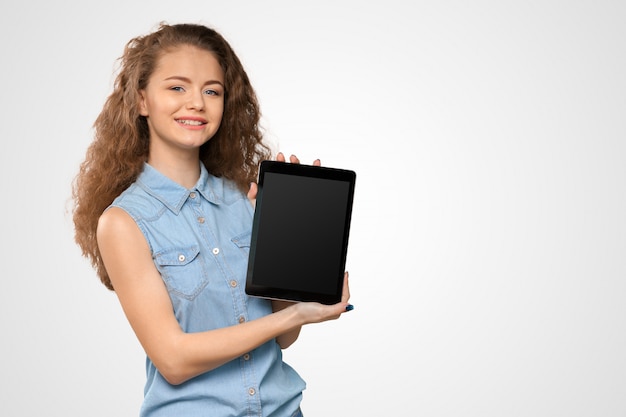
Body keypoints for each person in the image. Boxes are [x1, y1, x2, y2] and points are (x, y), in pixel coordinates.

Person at [71, 22, 352, 417]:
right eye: (177, 87)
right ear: (141, 101)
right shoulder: (123, 222)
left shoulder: (247, 200)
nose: (197, 103)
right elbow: (174, 359)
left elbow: (284, 336)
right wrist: (296, 313)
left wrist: (290, 242)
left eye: (211, 91)